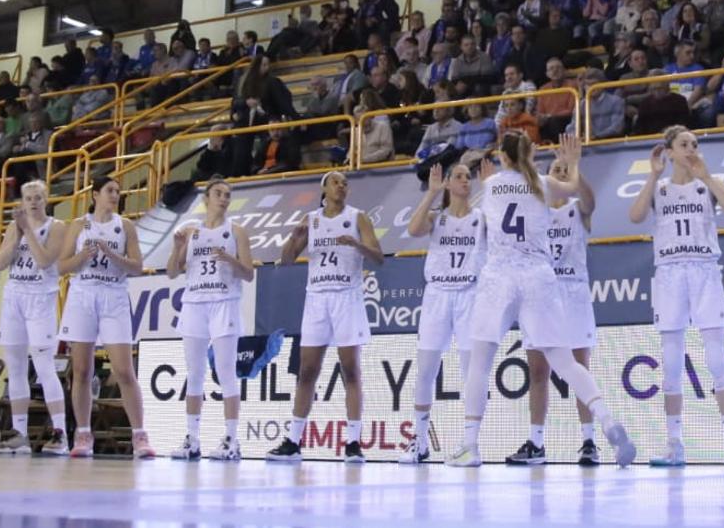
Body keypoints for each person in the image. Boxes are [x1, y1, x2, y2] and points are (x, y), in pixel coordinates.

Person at [446, 133, 635, 468]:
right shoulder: (544, 184)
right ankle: (607, 421)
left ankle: (469, 445)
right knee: (565, 362)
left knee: (479, 363)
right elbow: (573, 186)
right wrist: (573, 163)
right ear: (530, 155)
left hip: (499, 275)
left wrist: (491, 179)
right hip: (538, 275)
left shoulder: (489, 187)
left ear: (503, 158)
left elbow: (480, 222)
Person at [628, 126, 724, 467]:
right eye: (684, 144)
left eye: (695, 144)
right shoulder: (660, 189)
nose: (692, 149)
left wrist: (708, 177)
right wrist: (652, 176)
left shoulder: (708, 183)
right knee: (670, 364)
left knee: (716, 359)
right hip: (669, 273)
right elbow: (635, 216)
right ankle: (674, 443)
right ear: (669, 151)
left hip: (704, 270)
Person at [266, 172, 384, 463]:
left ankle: (354, 443)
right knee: (307, 371)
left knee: (351, 370)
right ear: (324, 188)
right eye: (336, 182)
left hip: (346, 296)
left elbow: (379, 257)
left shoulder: (358, 218)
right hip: (317, 298)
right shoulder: (312, 220)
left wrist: (356, 245)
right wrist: (293, 239)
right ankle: (293, 441)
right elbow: (286, 260)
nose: (341, 186)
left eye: (345, 182)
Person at [504, 155, 600, 467]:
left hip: (572, 292)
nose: (560, 173)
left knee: (579, 368)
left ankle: (589, 441)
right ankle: (536, 442)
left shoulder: (577, 210)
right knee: (537, 371)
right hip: (541, 294)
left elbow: (590, 200)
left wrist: (576, 171)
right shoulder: (536, 214)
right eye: (555, 170)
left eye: (565, 169)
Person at [57, 176, 154, 459]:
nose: (115, 195)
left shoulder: (125, 226)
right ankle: (84, 434)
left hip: (113, 296)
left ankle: (140, 436)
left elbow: (137, 267)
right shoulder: (78, 225)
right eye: (110, 190)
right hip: (83, 294)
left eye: (118, 191)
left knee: (124, 370)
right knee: (82, 371)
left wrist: (112, 254)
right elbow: (62, 266)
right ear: (95, 194)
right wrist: (82, 257)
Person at [398, 164, 486, 464]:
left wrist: (489, 189)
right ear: (448, 183)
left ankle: (470, 444)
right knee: (425, 370)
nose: (465, 180)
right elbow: (413, 229)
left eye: (467, 177)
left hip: (470, 296)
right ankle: (419, 442)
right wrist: (432, 193)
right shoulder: (438, 218)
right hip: (437, 295)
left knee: (471, 371)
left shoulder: (482, 218)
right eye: (459, 176)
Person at [166, 179, 255, 461]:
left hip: (224, 303)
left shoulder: (236, 232)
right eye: (218, 193)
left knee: (226, 372)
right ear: (206, 198)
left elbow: (249, 274)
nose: (224, 198)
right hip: (194, 303)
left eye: (228, 195)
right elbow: (171, 272)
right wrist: (177, 248)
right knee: (194, 373)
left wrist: (231, 260)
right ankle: (192, 439)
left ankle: (231, 439)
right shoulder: (190, 232)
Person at [0, 183, 69, 455]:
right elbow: (0, 263)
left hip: (41, 300)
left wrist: (29, 232)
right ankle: (20, 433)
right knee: (16, 367)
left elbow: (45, 260)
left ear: (46, 200)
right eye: (28, 198)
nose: (33, 202)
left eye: (38, 198)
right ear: (22, 201)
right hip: (15, 299)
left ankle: (60, 433)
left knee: (45, 366)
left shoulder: (56, 226)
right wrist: (17, 232)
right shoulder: (14, 226)